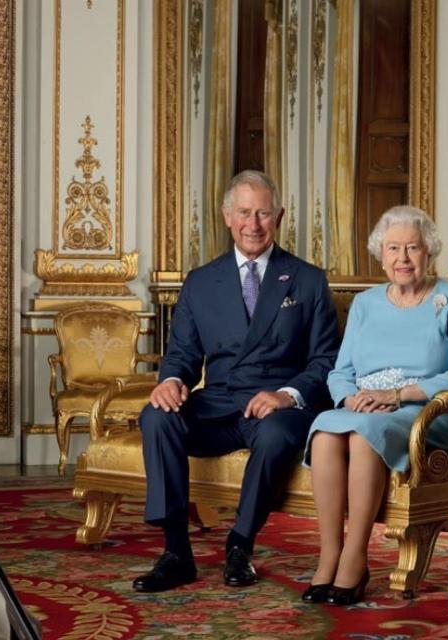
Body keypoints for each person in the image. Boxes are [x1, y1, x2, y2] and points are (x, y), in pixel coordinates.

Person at [133, 170, 339, 593]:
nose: (253, 224)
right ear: (227, 216)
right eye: (244, 213)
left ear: (279, 217)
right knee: (157, 415)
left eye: (263, 213)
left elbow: (326, 360)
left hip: (277, 408)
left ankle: (240, 546)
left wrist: (287, 395)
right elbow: (183, 355)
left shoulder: (308, 279)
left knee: (276, 434)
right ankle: (176, 551)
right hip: (219, 403)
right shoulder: (200, 281)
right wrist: (171, 380)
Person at [301, 205, 448, 606]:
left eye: (413, 247)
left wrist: (398, 395)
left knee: (364, 435)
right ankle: (330, 553)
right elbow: (340, 371)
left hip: (424, 410)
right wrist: (350, 398)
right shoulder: (365, 303)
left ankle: (355, 556)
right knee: (325, 430)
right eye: (393, 248)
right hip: (364, 407)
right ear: (381, 254)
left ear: (429, 252)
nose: (403, 258)